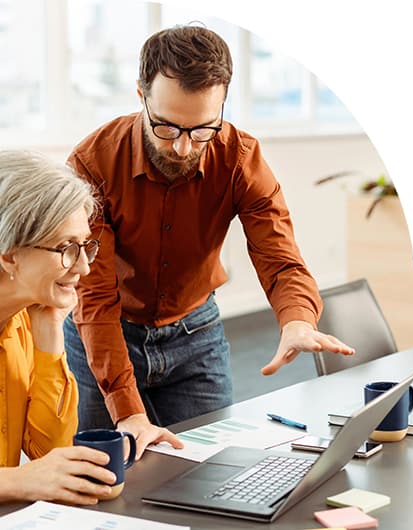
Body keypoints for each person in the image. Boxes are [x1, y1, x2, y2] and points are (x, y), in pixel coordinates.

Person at [64, 25, 355, 460]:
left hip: (195, 336)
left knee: (213, 474)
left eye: (202, 130)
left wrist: (297, 320)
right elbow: (95, 295)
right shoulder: (93, 163)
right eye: (166, 128)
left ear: (222, 105)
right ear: (140, 96)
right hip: (105, 335)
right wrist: (127, 411)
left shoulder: (240, 157)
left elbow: (279, 257)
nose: (183, 148)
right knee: (105, 481)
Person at [0, 149, 122, 505]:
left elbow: (49, 452)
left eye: (86, 246)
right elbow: (32, 474)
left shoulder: (24, 316)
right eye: (67, 248)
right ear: (9, 255)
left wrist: (50, 326)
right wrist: (14, 481)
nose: (84, 267)